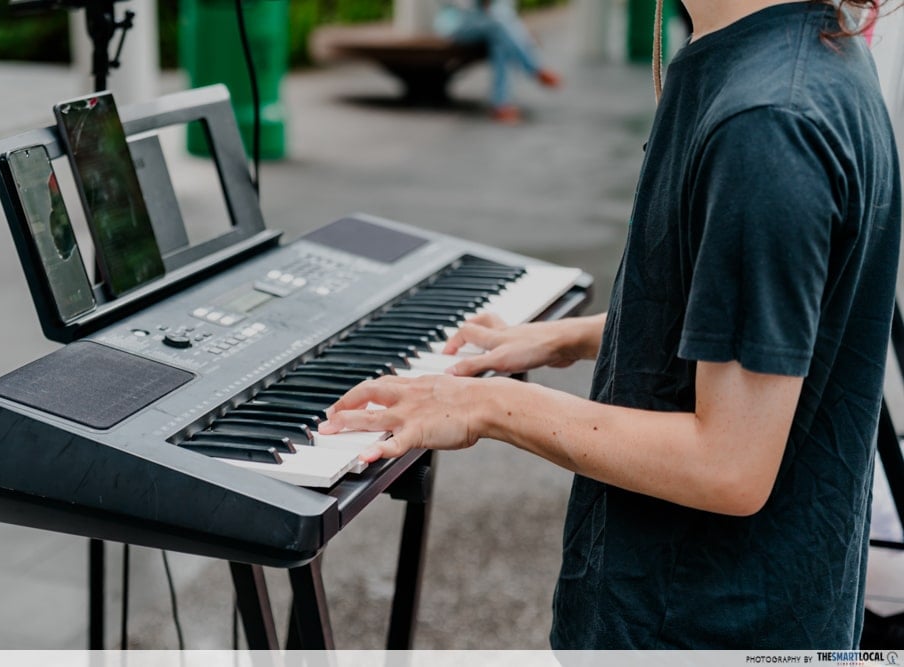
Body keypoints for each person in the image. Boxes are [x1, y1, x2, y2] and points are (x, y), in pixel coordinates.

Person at [320, 0, 903, 649]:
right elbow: (758, 322)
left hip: (703, 628)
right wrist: (566, 336)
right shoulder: (788, 54)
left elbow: (730, 463)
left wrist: (488, 405)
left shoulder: (769, 123)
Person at [434, 0, 561, 123]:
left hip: (490, 26)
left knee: (500, 44)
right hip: (458, 24)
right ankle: (534, 69)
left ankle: (501, 103)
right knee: (498, 27)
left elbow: (506, 13)